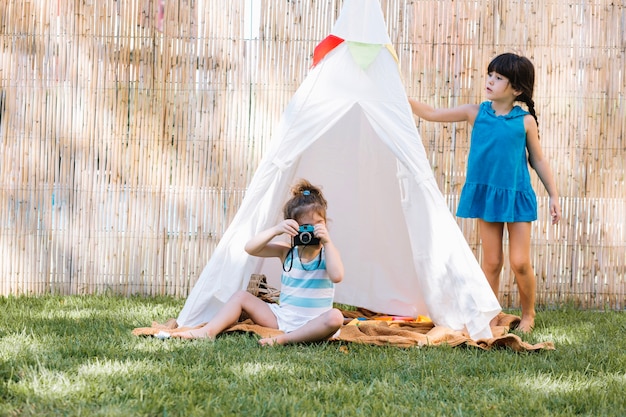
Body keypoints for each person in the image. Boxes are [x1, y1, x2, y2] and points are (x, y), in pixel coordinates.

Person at [409, 53, 562, 333]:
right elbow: (432, 113)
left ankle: (529, 314)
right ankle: (490, 315)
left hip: (516, 197)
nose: (490, 81)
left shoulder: (525, 121)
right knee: (491, 262)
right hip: (487, 197)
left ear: (516, 89)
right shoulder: (475, 112)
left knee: (520, 262)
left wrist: (553, 195)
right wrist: (401, 99)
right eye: (490, 75)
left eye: (498, 78)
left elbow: (537, 159)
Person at [174, 179, 345, 345]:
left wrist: (328, 242)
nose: (312, 232)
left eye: (318, 224)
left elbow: (337, 276)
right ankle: (208, 331)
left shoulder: (328, 253)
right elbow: (251, 248)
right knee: (241, 296)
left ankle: (284, 339)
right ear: (292, 228)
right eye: (305, 227)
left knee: (335, 317)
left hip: (316, 323)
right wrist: (276, 230)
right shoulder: (286, 252)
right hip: (282, 320)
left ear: (325, 223)